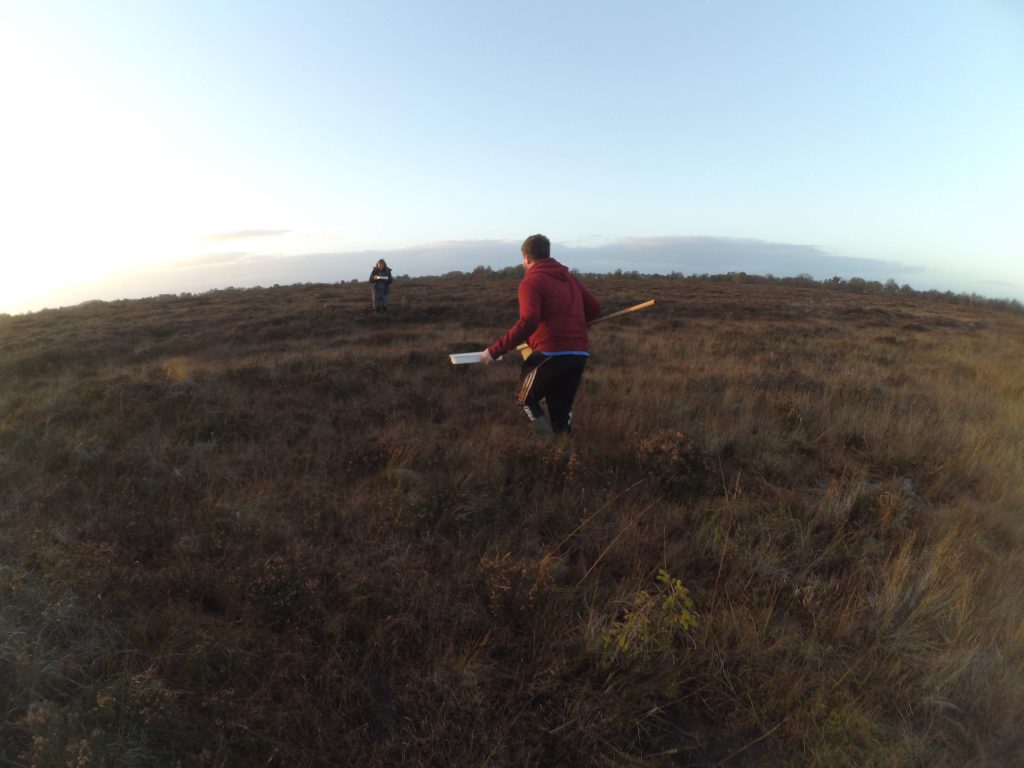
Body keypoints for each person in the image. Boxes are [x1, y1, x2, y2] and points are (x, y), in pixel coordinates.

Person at [481, 234, 602, 436]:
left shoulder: (531, 281)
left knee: (525, 399)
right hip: (578, 355)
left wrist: (494, 351)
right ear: (547, 254)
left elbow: (528, 322)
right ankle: (561, 451)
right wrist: (574, 323)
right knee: (560, 413)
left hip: (550, 354)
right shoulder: (569, 278)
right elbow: (595, 309)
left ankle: (546, 446)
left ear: (527, 258)